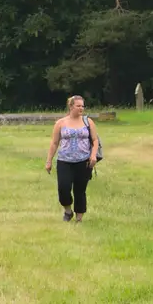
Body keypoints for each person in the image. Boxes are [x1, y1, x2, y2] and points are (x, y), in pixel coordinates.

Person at [44, 95, 100, 223]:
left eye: (82, 106)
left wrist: (93, 155)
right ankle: (68, 211)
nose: (81, 108)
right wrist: (49, 161)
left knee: (80, 190)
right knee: (63, 188)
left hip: (83, 161)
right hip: (65, 161)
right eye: (78, 106)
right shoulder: (61, 123)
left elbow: (95, 140)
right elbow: (54, 143)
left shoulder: (88, 122)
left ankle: (79, 219)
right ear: (71, 106)